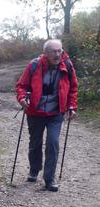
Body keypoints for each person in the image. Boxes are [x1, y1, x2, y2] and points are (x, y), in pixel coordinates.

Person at [16, 39, 78, 192]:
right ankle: (34, 169)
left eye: (60, 51)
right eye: (54, 51)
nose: (58, 54)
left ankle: (49, 178)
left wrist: (71, 106)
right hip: (35, 112)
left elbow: (73, 88)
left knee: (53, 143)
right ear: (45, 53)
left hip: (56, 113)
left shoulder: (67, 66)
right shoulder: (34, 65)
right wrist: (22, 98)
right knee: (35, 142)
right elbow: (21, 86)